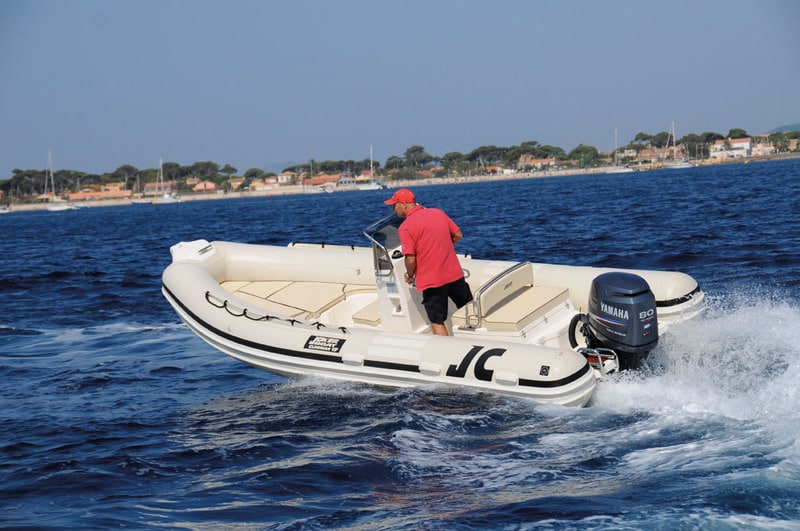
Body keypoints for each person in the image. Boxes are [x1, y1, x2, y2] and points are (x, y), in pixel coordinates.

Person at [383, 188, 473, 336]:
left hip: (433, 281)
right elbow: (457, 235)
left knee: (437, 320)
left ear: (404, 205)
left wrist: (409, 274)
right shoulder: (438, 213)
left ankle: (446, 355)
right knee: (468, 308)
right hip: (454, 274)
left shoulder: (405, 227)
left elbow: (410, 258)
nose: (393, 209)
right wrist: (441, 248)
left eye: (394, 205)